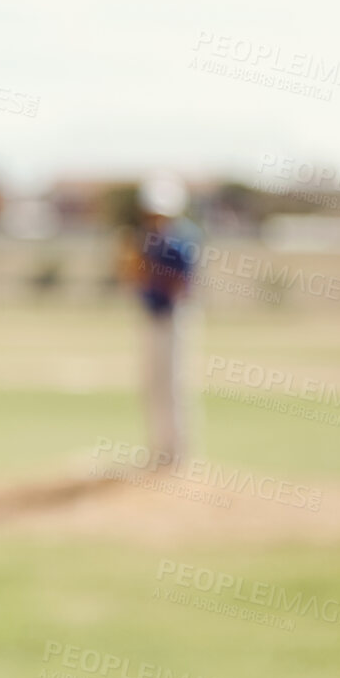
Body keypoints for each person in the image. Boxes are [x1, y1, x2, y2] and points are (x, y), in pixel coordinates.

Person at [123, 172, 199, 465]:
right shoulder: (143, 239)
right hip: (150, 317)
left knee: (174, 384)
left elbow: (179, 284)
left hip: (172, 318)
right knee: (152, 383)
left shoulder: (181, 239)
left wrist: (145, 269)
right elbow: (134, 278)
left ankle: (177, 453)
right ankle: (158, 448)